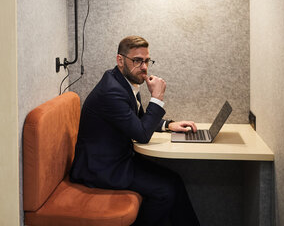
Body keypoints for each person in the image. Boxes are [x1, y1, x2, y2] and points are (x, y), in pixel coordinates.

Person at [70, 35, 200, 226]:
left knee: (174, 180)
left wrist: (167, 125)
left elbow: (136, 121)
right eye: (137, 61)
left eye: (147, 60)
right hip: (101, 168)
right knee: (165, 191)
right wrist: (157, 97)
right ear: (120, 60)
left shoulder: (123, 81)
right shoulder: (111, 91)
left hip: (117, 158)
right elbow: (141, 135)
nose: (144, 67)